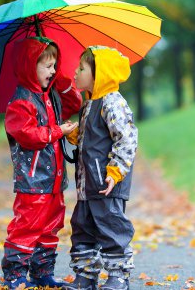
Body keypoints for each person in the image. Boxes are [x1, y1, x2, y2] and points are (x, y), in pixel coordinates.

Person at [1, 36, 81, 289]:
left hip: (54, 178)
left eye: (55, 65)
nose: (53, 70)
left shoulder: (51, 95)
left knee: (51, 226)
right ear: (29, 66)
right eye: (47, 66)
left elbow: (74, 103)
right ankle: (15, 275)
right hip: (33, 181)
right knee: (27, 226)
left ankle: (42, 273)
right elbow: (28, 136)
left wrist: (60, 79)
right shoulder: (20, 102)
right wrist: (58, 131)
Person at [63, 46, 138, 290]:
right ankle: (86, 276)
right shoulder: (90, 104)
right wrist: (74, 134)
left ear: (100, 75)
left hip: (107, 184)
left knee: (112, 229)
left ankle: (118, 277)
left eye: (81, 68)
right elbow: (93, 138)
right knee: (82, 229)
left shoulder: (112, 102)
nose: (75, 72)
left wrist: (114, 173)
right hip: (87, 187)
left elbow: (126, 138)